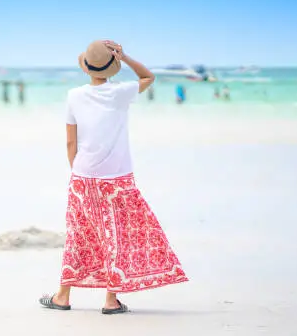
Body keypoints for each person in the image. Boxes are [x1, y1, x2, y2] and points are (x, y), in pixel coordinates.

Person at [39, 40, 188, 314]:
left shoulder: (74, 95)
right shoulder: (121, 93)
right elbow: (148, 77)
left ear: (86, 69)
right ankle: (110, 300)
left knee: (79, 234)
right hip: (117, 179)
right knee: (116, 236)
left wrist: (79, 172)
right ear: (113, 68)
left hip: (83, 176)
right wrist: (126, 56)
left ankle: (63, 296)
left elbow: (71, 143)